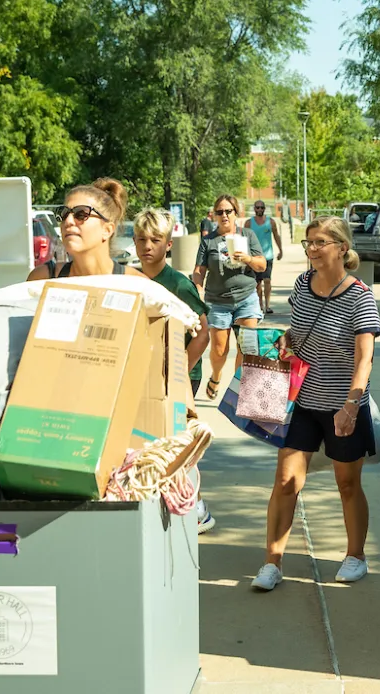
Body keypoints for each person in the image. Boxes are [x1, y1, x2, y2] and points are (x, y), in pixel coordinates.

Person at [251, 216, 380, 592]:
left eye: (320, 242)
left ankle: (355, 555)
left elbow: (365, 359)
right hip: (303, 401)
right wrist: (286, 341)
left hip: (344, 403)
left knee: (347, 483)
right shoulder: (302, 285)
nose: (312, 249)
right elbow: (299, 330)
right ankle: (272, 562)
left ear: (342, 247)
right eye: (308, 242)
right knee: (286, 480)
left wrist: (351, 406)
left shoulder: (359, 296)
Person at [133, 207, 216, 533]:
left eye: (155, 240)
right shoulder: (130, 278)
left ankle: (197, 508)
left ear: (169, 244)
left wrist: (181, 371)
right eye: (141, 239)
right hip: (145, 375)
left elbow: (204, 332)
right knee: (151, 443)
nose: (147, 246)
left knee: (178, 442)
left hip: (179, 377)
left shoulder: (178, 284)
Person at [192, 194, 266, 400]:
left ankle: (238, 389)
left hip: (246, 298)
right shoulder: (208, 241)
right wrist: (197, 288)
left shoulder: (248, 235)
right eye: (219, 212)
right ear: (214, 215)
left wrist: (248, 258)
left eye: (228, 211)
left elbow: (262, 264)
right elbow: (199, 270)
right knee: (219, 350)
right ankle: (216, 376)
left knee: (247, 345)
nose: (224, 215)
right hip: (218, 301)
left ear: (236, 213)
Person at [28, 178, 145, 280]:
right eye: (63, 214)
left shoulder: (137, 285)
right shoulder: (42, 279)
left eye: (81, 214)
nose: (68, 221)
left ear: (107, 230)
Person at [247, 200, 283, 314]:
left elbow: (276, 236)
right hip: (254, 257)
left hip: (268, 256)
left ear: (264, 209)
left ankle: (267, 305)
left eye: (262, 208)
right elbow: (244, 239)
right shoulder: (249, 223)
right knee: (257, 283)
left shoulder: (270, 222)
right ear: (254, 209)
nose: (260, 210)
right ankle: (260, 305)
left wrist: (281, 250)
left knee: (267, 280)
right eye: (257, 207)